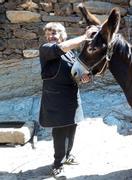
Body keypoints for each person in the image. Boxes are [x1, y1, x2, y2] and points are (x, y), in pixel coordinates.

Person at [38, 22, 94, 177]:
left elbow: (77, 73)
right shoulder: (46, 49)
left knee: (72, 128)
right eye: (49, 33)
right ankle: (57, 164)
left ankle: (68, 155)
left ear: (63, 35)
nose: (51, 35)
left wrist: (84, 77)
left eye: (55, 32)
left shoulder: (71, 54)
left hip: (71, 97)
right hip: (56, 100)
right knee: (60, 132)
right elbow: (59, 48)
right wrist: (85, 37)